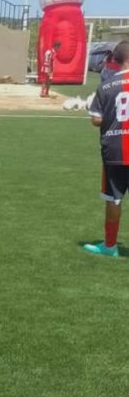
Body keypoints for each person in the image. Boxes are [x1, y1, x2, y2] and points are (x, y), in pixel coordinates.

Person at [83, 41, 129, 257]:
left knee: (114, 199)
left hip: (114, 150)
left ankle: (110, 247)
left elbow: (96, 120)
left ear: (116, 61)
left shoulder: (106, 86)